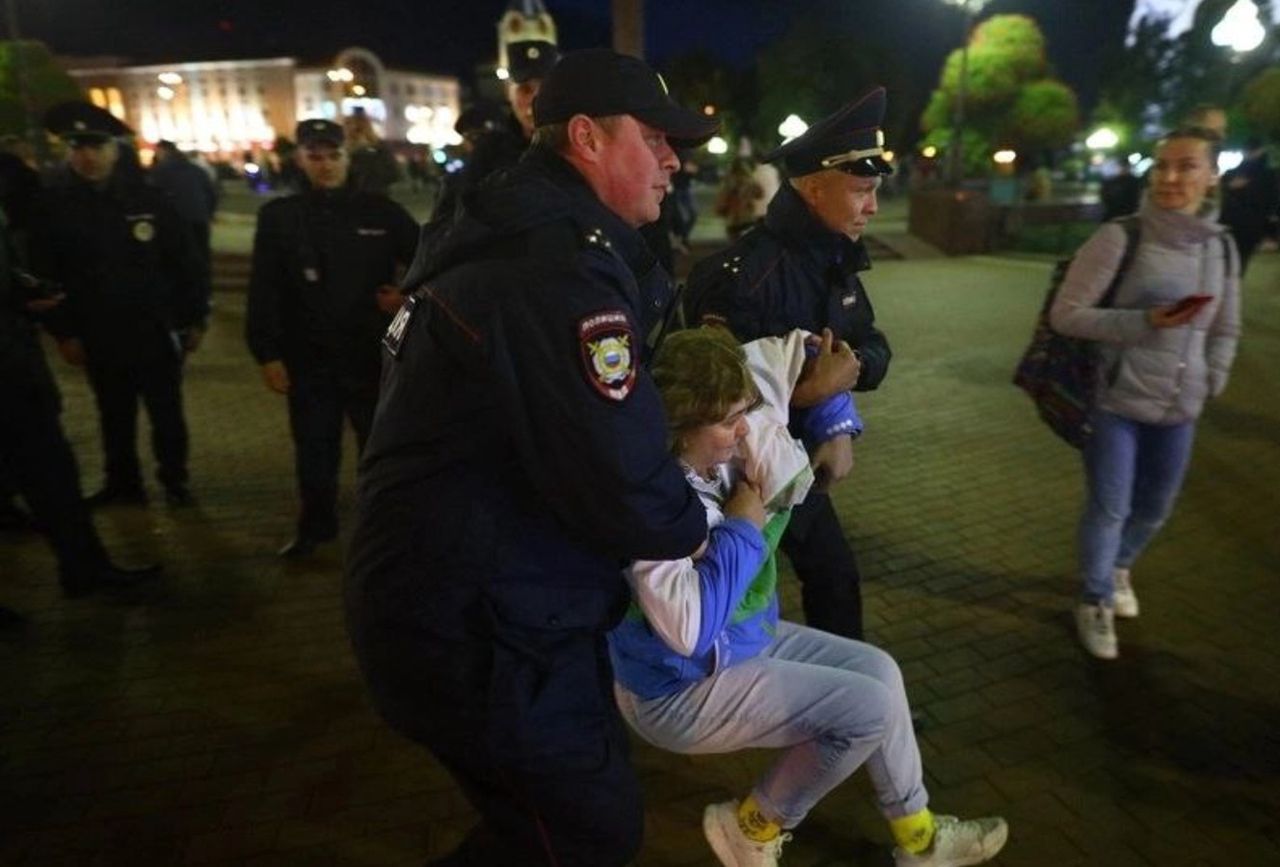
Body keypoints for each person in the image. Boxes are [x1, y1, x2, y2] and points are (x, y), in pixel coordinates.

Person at [343, 49, 719, 866]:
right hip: (482, 626)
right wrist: (703, 521)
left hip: (474, 603)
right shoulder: (556, 271)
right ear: (585, 137)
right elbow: (623, 482)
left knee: (549, 827)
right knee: (585, 832)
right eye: (654, 138)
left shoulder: (528, 231)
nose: (673, 160)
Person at [610, 326, 1008, 867]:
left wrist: (833, 414)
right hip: (676, 688)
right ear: (684, 428)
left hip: (734, 646)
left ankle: (919, 841)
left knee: (881, 672)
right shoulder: (654, 503)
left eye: (743, 412)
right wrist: (744, 529)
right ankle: (751, 828)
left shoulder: (715, 450)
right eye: (729, 421)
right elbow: (687, 629)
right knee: (866, 710)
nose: (743, 430)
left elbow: (797, 352)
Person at [686, 87, 895, 642]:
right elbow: (706, 400)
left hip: (797, 462)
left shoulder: (834, 258)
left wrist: (839, 399)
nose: (873, 207)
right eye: (862, 191)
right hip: (744, 476)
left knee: (833, 578)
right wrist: (810, 397)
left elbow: (871, 345)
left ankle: (846, 694)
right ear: (813, 186)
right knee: (746, 592)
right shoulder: (740, 276)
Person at [1049, 127, 1241, 660]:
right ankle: (1093, 599)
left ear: (1212, 175)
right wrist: (1143, 322)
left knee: (1156, 507)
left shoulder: (1220, 246)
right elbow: (1066, 315)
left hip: (1183, 404)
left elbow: (1227, 326)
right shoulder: (1121, 236)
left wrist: (1214, 376)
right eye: (1162, 166)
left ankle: (1117, 566)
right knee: (1110, 506)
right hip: (1118, 399)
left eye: (1186, 166)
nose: (1171, 178)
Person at [245, 119, 419, 558]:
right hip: (309, 356)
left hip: (370, 354)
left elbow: (429, 260)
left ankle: (382, 530)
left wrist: (405, 294)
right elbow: (264, 288)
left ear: (347, 157)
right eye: (315, 156)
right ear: (300, 160)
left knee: (378, 449)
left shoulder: (380, 212)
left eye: (333, 156)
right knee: (314, 447)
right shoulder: (280, 217)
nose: (325, 165)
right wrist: (266, 352)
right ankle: (316, 527)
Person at [29, 102, 208, 508]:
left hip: (154, 328)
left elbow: (186, 263)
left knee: (167, 414)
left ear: (114, 149)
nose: (87, 156)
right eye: (77, 148)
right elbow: (47, 275)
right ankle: (122, 482)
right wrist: (64, 332)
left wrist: (194, 318)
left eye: (95, 146)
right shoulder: (56, 206)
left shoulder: (150, 200)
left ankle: (174, 479)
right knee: (113, 414)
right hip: (98, 331)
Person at [1, 215, 160, 609]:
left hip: (16, 372)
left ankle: (84, 567)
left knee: (53, 472)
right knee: (50, 470)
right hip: (11, 372)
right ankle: (83, 566)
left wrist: (20, 292)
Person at [429, 39, 560, 222]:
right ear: (509, 92)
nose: (535, 99)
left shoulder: (578, 146)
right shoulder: (489, 153)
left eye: (545, 88)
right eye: (525, 89)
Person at [150, 139, 218, 283]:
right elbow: (211, 194)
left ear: (163, 151)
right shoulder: (197, 170)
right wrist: (208, 214)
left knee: (178, 258)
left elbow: (153, 196)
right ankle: (205, 291)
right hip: (199, 218)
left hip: (176, 220)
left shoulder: (161, 171)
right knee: (201, 256)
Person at [1220, 138, 1279, 274]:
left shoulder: (1237, 172)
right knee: (1238, 262)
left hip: (1235, 224)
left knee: (1230, 262)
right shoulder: (1269, 174)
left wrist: (1229, 186)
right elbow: (1273, 204)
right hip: (1251, 226)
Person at [344, 108, 402, 196]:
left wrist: (364, 152)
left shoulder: (379, 149)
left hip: (376, 197)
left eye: (358, 128)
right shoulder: (341, 150)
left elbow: (393, 173)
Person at [714, 156, 764, 240]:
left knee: (734, 244)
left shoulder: (728, 182)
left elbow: (722, 199)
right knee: (748, 244)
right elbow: (760, 194)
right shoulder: (750, 181)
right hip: (748, 217)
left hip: (733, 219)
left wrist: (721, 210)